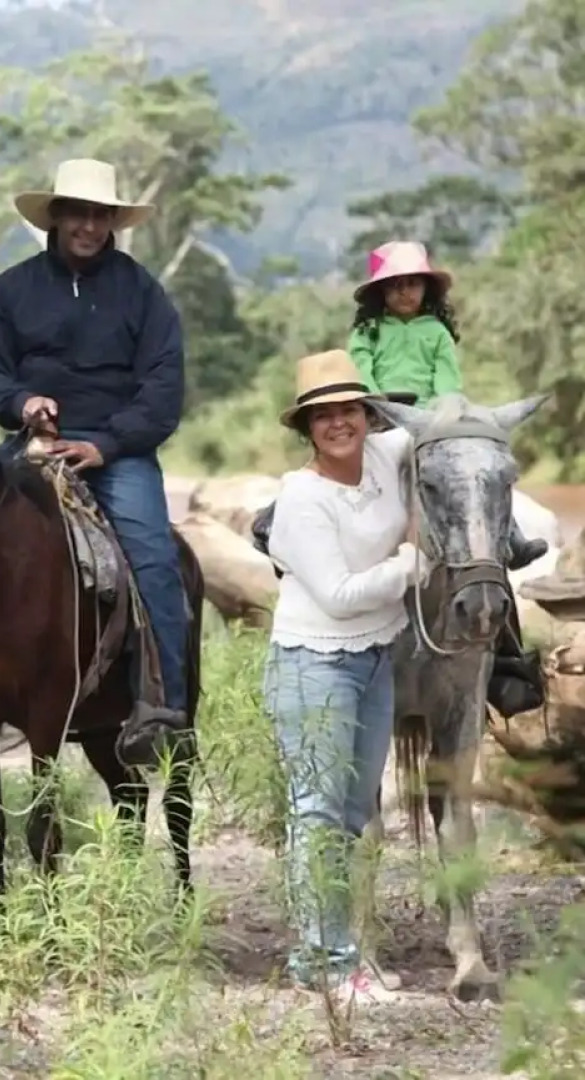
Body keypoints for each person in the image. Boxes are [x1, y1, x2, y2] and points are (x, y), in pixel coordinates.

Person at [0, 157, 191, 770]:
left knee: (154, 557)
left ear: (113, 223)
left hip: (114, 451)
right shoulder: (11, 291)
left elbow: (163, 386)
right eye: (80, 214)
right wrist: (22, 402)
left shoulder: (142, 293)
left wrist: (108, 443)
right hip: (28, 445)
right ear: (57, 217)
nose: (91, 227)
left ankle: (162, 707)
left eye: (102, 216)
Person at [264, 347, 422, 1005]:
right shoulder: (301, 496)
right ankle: (324, 966)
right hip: (314, 662)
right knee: (318, 813)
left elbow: (436, 429)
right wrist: (411, 563)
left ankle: (332, 953)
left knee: (355, 812)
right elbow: (335, 593)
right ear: (306, 428)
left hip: (375, 657)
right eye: (322, 415)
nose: (338, 423)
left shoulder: (386, 456)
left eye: (348, 409)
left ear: (367, 414)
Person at [253, 240, 548, 572]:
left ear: (426, 289)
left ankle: (512, 538)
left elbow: (447, 379)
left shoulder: (437, 332)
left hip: (428, 417)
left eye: (412, 284)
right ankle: (273, 520)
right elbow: (360, 370)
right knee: (334, 460)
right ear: (381, 292)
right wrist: (378, 405)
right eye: (394, 286)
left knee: (475, 463)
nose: (404, 292)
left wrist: (439, 413)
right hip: (377, 413)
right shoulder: (368, 331)